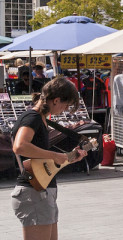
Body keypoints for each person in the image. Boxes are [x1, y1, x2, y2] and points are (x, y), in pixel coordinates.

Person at [11, 76, 87, 239]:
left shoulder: (40, 119)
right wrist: (55, 155)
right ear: (56, 100)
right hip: (33, 191)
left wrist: (69, 157)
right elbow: (19, 146)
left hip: (40, 190)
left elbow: (40, 160)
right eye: (65, 105)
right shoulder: (32, 117)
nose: (64, 110)